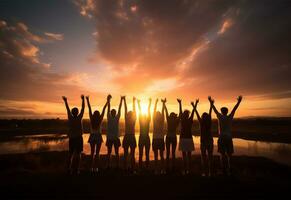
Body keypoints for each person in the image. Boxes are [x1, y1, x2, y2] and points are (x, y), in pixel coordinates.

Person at [209, 96, 243, 175]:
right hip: (228, 137)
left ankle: (223, 168)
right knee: (229, 154)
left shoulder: (220, 117)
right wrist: (239, 102)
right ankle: (229, 167)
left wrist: (211, 102)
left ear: (221, 112)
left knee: (222, 154)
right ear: (227, 112)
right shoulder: (230, 117)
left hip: (221, 138)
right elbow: (235, 109)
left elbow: (214, 110)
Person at [86, 95, 109, 173]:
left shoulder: (92, 119)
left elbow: (89, 109)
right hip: (98, 136)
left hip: (92, 136)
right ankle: (96, 168)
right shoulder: (100, 119)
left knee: (92, 153)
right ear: (98, 115)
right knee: (97, 153)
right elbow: (104, 109)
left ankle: (91, 168)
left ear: (93, 114)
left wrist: (87, 100)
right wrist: (107, 101)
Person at [62, 95, 85, 174]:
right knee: (78, 154)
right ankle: (77, 169)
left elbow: (67, 109)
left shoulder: (70, 117)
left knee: (70, 154)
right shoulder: (79, 118)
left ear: (72, 112)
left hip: (72, 138)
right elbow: (83, 109)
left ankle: (69, 169)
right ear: (77, 112)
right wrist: (83, 100)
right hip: (78, 138)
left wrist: (66, 101)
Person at [193, 98, 213, 177]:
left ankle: (205, 172)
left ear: (202, 117)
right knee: (210, 157)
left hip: (204, 142)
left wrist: (195, 104)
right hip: (210, 141)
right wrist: (211, 103)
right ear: (207, 117)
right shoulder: (209, 121)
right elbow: (210, 112)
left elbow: (196, 113)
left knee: (204, 157)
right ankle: (210, 172)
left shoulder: (201, 122)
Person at [178, 98, 197, 175]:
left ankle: (185, 170)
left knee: (184, 155)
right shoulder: (190, 120)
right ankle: (189, 170)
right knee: (189, 155)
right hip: (189, 137)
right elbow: (193, 112)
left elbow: (180, 111)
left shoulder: (183, 120)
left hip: (183, 138)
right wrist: (194, 105)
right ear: (188, 115)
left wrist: (180, 103)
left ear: (183, 115)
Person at [162, 98, 180, 171]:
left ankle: (167, 167)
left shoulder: (169, 120)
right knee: (173, 153)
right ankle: (173, 166)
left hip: (168, 137)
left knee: (168, 153)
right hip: (173, 137)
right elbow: (180, 113)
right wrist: (179, 104)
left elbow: (166, 112)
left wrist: (164, 103)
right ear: (174, 116)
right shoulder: (176, 122)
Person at [106, 95, 123, 169]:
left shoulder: (110, 117)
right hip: (115, 138)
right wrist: (121, 100)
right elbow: (119, 109)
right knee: (116, 153)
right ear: (115, 113)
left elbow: (109, 108)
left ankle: (110, 165)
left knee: (110, 152)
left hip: (111, 138)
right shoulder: (115, 118)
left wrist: (108, 100)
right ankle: (116, 166)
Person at [122, 96, 137, 172]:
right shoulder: (133, 120)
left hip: (127, 136)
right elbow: (134, 111)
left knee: (125, 154)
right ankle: (132, 169)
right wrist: (134, 102)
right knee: (132, 154)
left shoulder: (127, 119)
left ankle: (125, 168)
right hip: (131, 137)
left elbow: (125, 109)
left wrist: (124, 100)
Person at [137, 98, 152, 170]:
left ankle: (144, 168)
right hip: (145, 137)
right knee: (145, 154)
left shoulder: (142, 121)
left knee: (142, 154)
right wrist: (149, 103)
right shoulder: (146, 121)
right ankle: (146, 168)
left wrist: (139, 104)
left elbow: (145, 112)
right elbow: (145, 112)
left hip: (143, 137)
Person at [152, 98, 166, 174]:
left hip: (156, 139)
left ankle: (156, 170)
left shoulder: (154, 120)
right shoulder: (162, 120)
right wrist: (163, 103)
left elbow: (154, 111)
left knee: (156, 156)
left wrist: (156, 102)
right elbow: (163, 111)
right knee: (161, 155)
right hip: (160, 139)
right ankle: (162, 170)